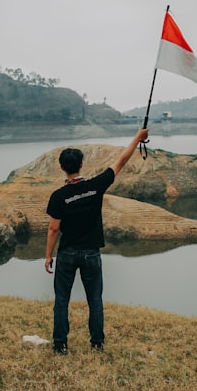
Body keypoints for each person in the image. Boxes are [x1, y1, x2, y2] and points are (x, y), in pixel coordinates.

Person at [44, 128, 150, 355]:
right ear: (81, 165)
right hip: (91, 253)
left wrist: (47, 256)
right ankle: (97, 344)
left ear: (62, 167)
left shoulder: (58, 196)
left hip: (68, 253)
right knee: (95, 299)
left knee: (62, 300)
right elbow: (121, 161)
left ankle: (60, 345)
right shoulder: (95, 186)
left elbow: (54, 228)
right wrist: (138, 138)